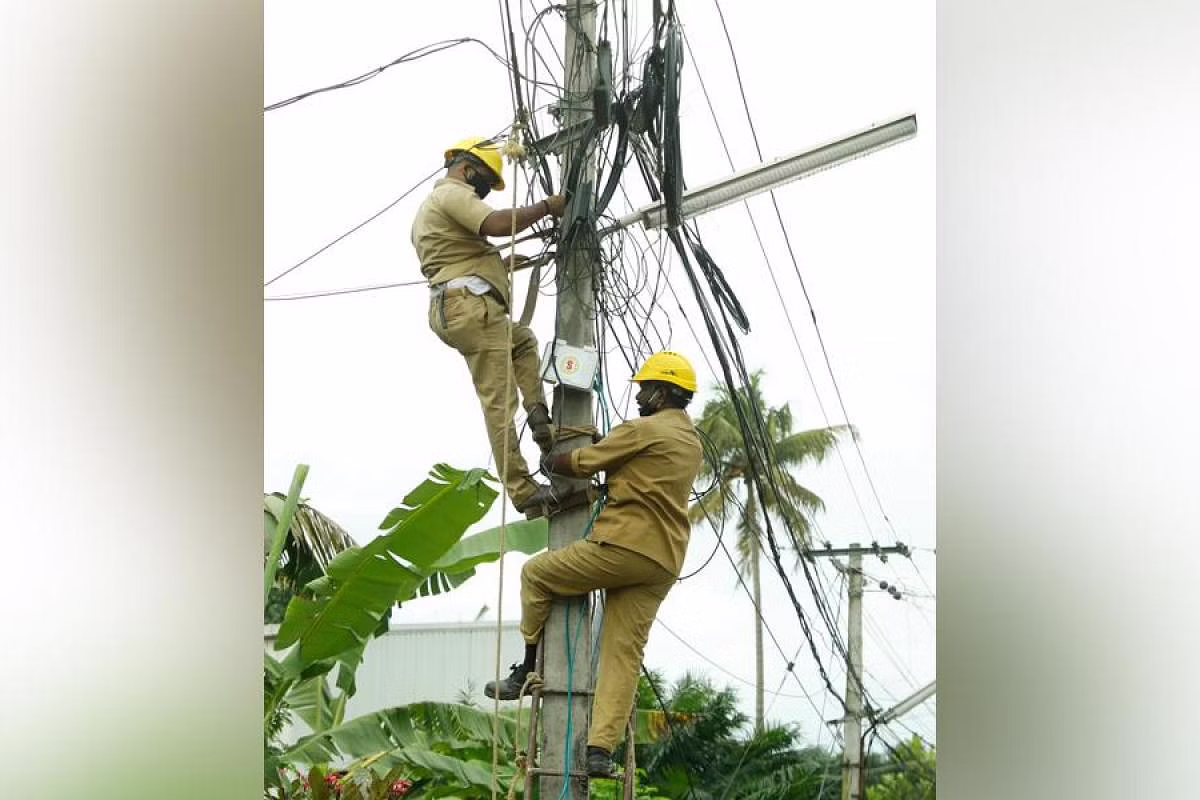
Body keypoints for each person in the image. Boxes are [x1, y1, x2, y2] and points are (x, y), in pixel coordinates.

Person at [483, 351, 703, 778]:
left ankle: (526, 668)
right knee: (623, 654)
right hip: (663, 560)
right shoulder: (691, 442)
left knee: (536, 574)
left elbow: (583, 463)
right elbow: (636, 467)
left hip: (622, 545)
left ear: (662, 393)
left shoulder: (643, 430)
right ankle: (600, 749)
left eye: (645, 389)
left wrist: (552, 459)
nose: (638, 396)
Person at [411, 137, 568, 518]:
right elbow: (497, 224)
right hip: (470, 307)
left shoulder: (433, 208)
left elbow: (457, 254)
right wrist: (547, 207)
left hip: (459, 306)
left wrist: (501, 264)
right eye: (483, 183)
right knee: (499, 401)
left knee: (523, 341)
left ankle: (540, 420)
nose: (483, 192)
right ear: (467, 170)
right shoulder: (451, 194)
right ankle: (523, 489)